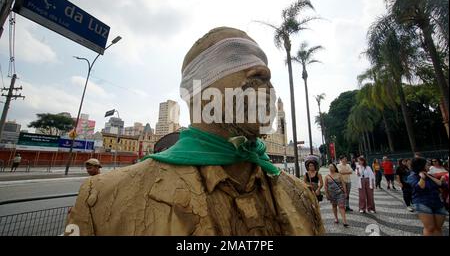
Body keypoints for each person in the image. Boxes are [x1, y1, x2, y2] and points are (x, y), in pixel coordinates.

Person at [65, 27, 325, 236]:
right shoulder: (102, 201)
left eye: (263, 61)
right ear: (194, 91)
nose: (264, 71)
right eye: (234, 57)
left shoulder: (302, 196)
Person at [407, 157, 448, 236]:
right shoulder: (412, 176)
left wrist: (429, 176)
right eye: (427, 164)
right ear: (421, 165)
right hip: (423, 203)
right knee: (430, 228)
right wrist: (422, 177)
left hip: (437, 203)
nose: (429, 165)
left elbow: (442, 185)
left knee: (438, 227)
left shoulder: (429, 175)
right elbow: (419, 188)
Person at [324, 163, 349, 227]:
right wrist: (326, 194)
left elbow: (343, 184)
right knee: (334, 206)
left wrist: (345, 192)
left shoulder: (339, 175)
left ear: (335, 168)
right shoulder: (327, 176)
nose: (331, 168)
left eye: (332, 167)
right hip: (332, 194)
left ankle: (344, 221)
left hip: (340, 193)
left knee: (341, 206)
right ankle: (336, 218)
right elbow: (326, 186)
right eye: (329, 167)